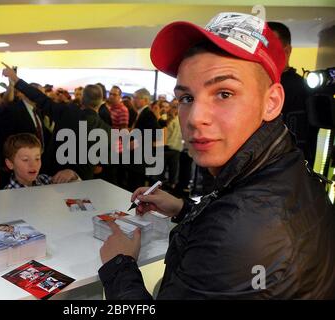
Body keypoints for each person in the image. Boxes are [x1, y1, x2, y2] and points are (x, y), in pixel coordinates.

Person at [98, 12, 335, 299]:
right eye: (186, 98)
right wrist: (184, 209)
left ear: (271, 102)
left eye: (224, 93)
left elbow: (239, 233)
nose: (195, 118)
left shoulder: (240, 232)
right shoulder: (287, 166)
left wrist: (119, 265)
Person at [2, 65, 111, 180]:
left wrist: (15, 78)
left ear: (82, 99)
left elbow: (41, 99)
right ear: (102, 101)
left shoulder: (66, 113)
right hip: (84, 185)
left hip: (53, 178)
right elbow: (99, 168)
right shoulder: (107, 130)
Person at [267, 21, 318, 169]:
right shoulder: (256, 85)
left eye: (269, 48)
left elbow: (301, 140)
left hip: (285, 177)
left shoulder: (301, 89)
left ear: (287, 51)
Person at [3, 133, 79, 189]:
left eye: (37, 159)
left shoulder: (46, 180)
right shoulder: (6, 196)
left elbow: (78, 191)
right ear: (10, 164)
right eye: (25, 160)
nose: (33, 165)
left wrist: (71, 174)